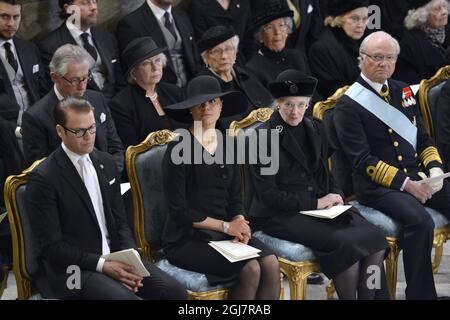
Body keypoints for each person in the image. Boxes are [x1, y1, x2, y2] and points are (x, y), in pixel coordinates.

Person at [25, 96, 186, 300]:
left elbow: (120, 221)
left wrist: (130, 257)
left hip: (113, 257)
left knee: (174, 292)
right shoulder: (44, 179)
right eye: (79, 131)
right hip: (71, 271)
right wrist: (103, 265)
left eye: (92, 128)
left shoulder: (106, 162)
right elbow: (52, 248)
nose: (88, 136)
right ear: (60, 131)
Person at [248, 69, 389, 300]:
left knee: (374, 237)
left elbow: (326, 173)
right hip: (280, 214)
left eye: (301, 105)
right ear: (278, 104)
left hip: (322, 208)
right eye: (289, 105)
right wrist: (316, 202)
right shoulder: (265, 138)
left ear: (308, 104)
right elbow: (268, 195)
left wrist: (335, 194)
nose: (295, 112)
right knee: (346, 245)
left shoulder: (315, 127)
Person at [334, 31, 450, 299]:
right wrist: (408, 185)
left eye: (389, 58)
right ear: (361, 59)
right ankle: (421, 295)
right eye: (376, 57)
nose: (383, 63)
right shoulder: (348, 105)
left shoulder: (403, 91)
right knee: (420, 222)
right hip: (378, 188)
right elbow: (362, 160)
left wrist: (434, 169)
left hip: (418, 176)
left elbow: (421, 137)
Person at [161, 75, 280, 300]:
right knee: (251, 269)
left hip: (225, 231)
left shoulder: (227, 143)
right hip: (187, 238)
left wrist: (239, 221)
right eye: (200, 103)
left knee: (270, 263)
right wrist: (227, 227)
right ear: (190, 109)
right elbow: (179, 211)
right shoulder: (179, 147)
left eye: (212, 101)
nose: (207, 107)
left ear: (221, 105)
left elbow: (236, 196)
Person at [21, 44, 124, 172]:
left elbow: (115, 148)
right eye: (74, 80)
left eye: (86, 78)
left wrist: (110, 177)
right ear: (54, 77)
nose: (82, 87)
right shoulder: (35, 118)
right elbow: (42, 169)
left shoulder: (98, 99)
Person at [38, 0, 125, 99]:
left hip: (115, 104)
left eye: (94, 1)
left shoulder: (106, 37)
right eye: (85, 3)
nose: (93, 7)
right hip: (81, 107)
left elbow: (119, 79)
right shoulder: (50, 46)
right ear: (68, 8)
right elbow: (57, 90)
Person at [109, 37, 184, 149]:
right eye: (146, 63)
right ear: (133, 72)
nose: (155, 68)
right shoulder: (121, 105)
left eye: (157, 60)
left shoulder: (174, 92)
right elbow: (133, 150)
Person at [197, 25, 273, 128]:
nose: (224, 56)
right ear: (205, 58)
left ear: (236, 52)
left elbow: (270, 105)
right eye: (216, 51)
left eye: (228, 49)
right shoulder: (202, 87)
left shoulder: (246, 73)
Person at [116, 0, 202, 87]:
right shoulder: (131, 24)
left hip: (193, 89)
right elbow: (131, 73)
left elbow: (195, 58)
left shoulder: (182, 16)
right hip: (160, 94)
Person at [0, 0, 46, 141]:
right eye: (4, 16)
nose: (11, 24)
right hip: (7, 131)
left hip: (36, 124)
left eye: (16, 17)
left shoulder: (30, 49)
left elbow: (43, 89)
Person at [245, 0, 312, 89]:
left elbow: (314, 94)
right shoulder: (253, 69)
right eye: (269, 27)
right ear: (260, 36)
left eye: (282, 25)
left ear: (288, 29)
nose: (277, 32)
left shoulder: (298, 57)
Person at [309, 0, 369, 99]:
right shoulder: (321, 49)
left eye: (365, 19)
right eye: (354, 18)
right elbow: (332, 91)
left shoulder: (366, 41)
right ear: (339, 19)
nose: (361, 24)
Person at [394, 0, 450, 84]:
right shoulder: (409, 44)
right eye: (437, 9)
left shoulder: (447, 32)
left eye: (445, 7)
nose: (445, 12)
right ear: (422, 15)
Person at [186, 0, 254, 63]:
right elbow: (204, 49)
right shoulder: (198, 7)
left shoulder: (242, 2)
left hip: (247, 62)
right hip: (221, 66)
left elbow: (249, 37)